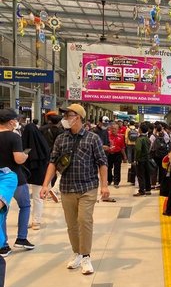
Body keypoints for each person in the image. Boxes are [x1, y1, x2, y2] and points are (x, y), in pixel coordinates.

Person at [40, 104, 109, 275]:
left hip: (88, 187)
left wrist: (105, 185)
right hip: (67, 188)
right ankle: (77, 253)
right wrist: (45, 184)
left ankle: (86, 256)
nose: (64, 119)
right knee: (71, 225)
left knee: (84, 220)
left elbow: (102, 162)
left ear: (77, 117)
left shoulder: (93, 138)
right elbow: (53, 162)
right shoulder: (61, 139)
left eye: (67, 115)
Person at [0, 108, 34, 256]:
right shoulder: (14, 137)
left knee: (3, 211)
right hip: (15, 178)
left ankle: (3, 244)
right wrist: (25, 155)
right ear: (10, 121)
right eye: (16, 119)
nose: (17, 122)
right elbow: (18, 159)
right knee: (25, 206)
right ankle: (21, 238)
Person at [22, 123, 50, 230]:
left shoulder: (22, 142)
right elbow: (47, 155)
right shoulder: (42, 142)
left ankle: (27, 221)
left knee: (25, 201)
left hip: (25, 175)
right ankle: (36, 222)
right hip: (39, 174)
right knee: (38, 198)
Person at [133, 122, 152, 197]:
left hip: (141, 159)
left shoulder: (140, 139)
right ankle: (148, 189)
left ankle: (141, 190)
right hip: (147, 159)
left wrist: (136, 159)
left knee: (140, 175)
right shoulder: (147, 138)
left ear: (140, 130)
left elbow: (138, 149)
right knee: (147, 174)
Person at [107, 123, 127, 188]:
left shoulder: (121, 137)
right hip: (109, 154)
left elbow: (122, 147)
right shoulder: (107, 136)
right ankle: (109, 180)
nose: (113, 130)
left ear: (118, 129)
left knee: (117, 168)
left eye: (115, 129)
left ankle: (116, 182)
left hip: (117, 154)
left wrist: (124, 156)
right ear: (110, 129)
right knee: (108, 168)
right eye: (112, 128)